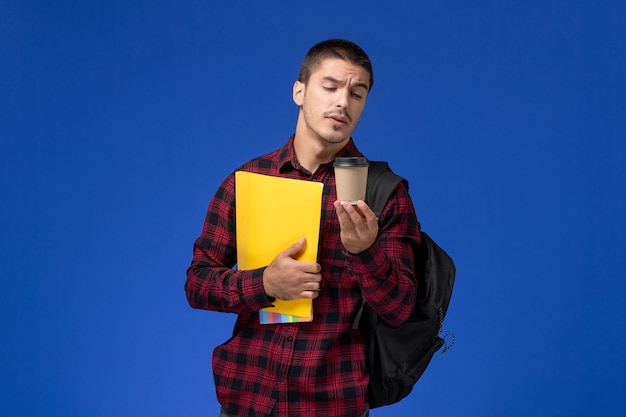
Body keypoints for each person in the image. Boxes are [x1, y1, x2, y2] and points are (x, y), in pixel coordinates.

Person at [186, 39, 420, 417]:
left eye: (356, 93)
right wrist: (264, 285)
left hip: (332, 403)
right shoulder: (248, 180)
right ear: (299, 91)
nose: (343, 102)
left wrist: (365, 252)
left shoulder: (384, 192)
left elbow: (400, 309)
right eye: (330, 87)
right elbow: (197, 284)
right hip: (246, 400)